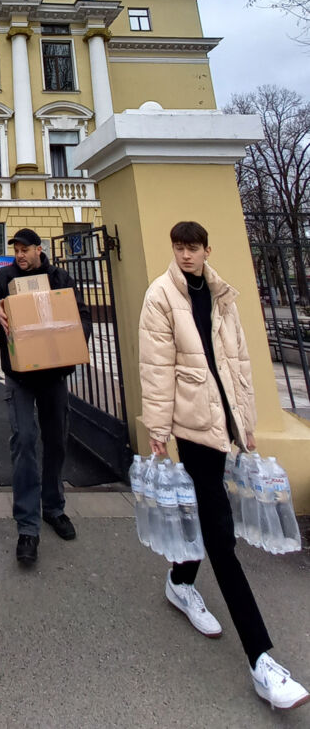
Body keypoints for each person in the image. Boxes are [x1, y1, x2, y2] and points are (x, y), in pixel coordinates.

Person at [139, 221, 309, 712]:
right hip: (192, 429)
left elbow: (237, 362)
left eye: (192, 248)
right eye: (178, 248)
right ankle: (262, 663)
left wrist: (247, 423)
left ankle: (180, 582)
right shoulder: (160, 296)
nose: (185, 255)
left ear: (206, 249)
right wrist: (158, 429)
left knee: (209, 518)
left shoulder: (221, 294)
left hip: (226, 429)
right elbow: (155, 365)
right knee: (221, 537)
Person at [0, 227, 92, 567]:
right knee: (25, 441)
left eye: (26, 249)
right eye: (16, 249)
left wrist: (73, 335)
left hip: (54, 375)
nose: (20, 255)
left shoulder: (59, 278)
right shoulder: (4, 277)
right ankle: (27, 524)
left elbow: (81, 315)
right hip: (20, 377)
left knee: (56, 440)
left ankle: (54, 507)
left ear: (39, 249)